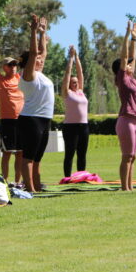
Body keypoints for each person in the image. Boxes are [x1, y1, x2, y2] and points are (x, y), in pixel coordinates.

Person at [18, 15, 54, 193]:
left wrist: (43, 33)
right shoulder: (28, 75)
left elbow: (42, 53)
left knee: (38, 158)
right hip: (31, 119)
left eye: (41, 58)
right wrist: (33, 32)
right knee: (29, 157)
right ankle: (30, 188)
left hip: (44, 119)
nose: (40, 59)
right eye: (36, 59)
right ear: (28, 63)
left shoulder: (40, 74)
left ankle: (38, 187)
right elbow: (34, 53)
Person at [0, 38, 24, 184]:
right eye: (10, 64)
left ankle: (17, 182)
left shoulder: (21, 78)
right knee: (7, 153)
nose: (14, 66)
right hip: (7, 121)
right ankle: (5, 182)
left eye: (15, 64)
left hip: (21, 120)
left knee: (20, 153)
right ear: (4, 67)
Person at [112, 21, 136, 192]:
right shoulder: (122, 79)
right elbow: (125, 57)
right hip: (126, 120)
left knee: (133, 156)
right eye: (127, 64)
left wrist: (134, 40)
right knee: (127, 156)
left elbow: (132, 57)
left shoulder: (132, 78)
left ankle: (130, 186)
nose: (131, 64)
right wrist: (126, 36)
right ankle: (124, 187)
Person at [61, 45, 89, 178]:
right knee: (70, 153)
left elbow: (80, 72)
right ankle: (67, 177)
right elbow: (68, 73)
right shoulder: (67, 93)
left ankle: (81, 177)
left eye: (76, 82)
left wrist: (77, 56)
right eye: (73, 82)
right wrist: (71, 58)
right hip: (70, 127)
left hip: (84, 126)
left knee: (82, 154)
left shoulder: (81, 91)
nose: (75, 83)